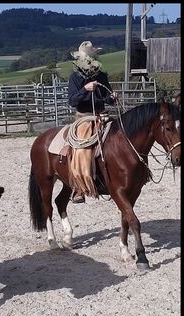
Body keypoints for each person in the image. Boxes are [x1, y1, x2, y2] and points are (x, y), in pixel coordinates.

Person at [67, 41, 117, 202]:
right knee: (82, 148)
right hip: (84, 117)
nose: (90, 60)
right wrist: (85, 89)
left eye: (91, 57)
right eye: (87, 57)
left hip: (102, 115)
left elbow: (106, 97)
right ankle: (79, 187)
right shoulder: (75, 77)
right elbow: (72, 101)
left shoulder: (101, 75)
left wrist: (112, 98)